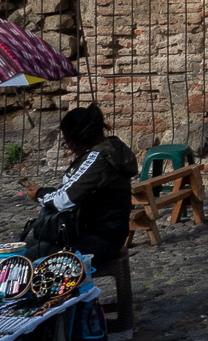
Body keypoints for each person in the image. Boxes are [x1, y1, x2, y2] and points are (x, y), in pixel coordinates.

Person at [19, 104, 137, 260]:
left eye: (68, 142)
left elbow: (64, 200)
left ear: (79, 139)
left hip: (99, 241)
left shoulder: (99, 159)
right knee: (26, 245)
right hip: (94, 234)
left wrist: (40, 194)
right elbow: (74, 188)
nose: (70, 148)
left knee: (25, 259)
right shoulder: (107, 149)